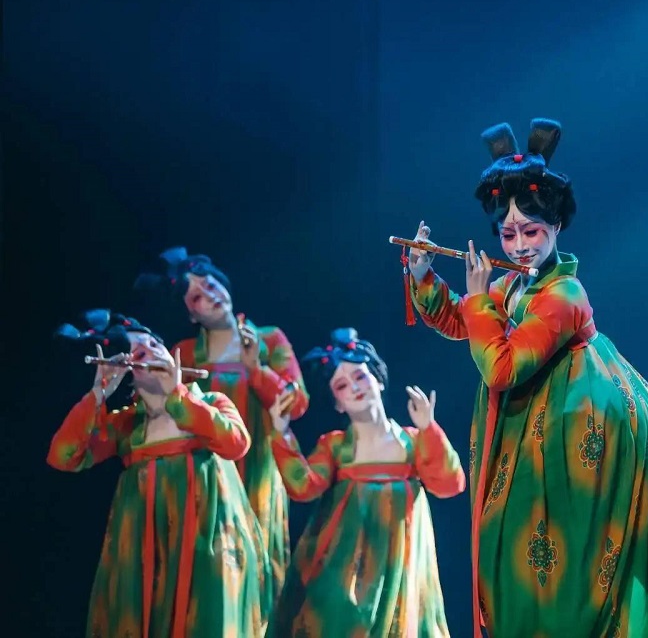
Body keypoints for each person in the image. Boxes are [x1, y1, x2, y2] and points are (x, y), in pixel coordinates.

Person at [407, 118, 648, 637]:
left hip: (575, 437)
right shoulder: (512, 286)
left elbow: (501, 367)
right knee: (521, 556)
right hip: (535, 432)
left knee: (570, 567)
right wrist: (423, 274)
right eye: (508, 234)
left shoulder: (563, 294)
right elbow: (466, 323)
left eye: (531, 231)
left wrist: (479, 298)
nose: (519, 245)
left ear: (555, 227)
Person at [47, 310, 270, 637]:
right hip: (147, 557)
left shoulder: (210, 401)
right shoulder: (127, 424)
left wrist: (178, 395)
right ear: (127, 371)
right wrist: (97, 395)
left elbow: (236, 444)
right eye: (135, 350)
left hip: (208, 550)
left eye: (154, 343)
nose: (148, 349)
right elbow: (63, 457)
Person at [135, 247, 309, 605]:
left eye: (211, 284)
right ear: (190, 313)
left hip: (258, 469)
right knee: (210, 568)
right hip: (205, 473)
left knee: (260, 566)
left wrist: (256, 368)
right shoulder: (184, 353)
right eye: (196, 295)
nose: (210, 294)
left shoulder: (268, 339)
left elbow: (297, 404)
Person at [264, 327, 465, 637]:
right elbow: (304, 486)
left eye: (360, 376)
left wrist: (429, 429)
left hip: (399, 568)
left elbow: (449, 483)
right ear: (337, 403)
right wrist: (281, 435)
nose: (355, 387)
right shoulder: (335, 446)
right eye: (342, 385)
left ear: (378, 380)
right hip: (345, 569)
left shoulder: (412, 442)